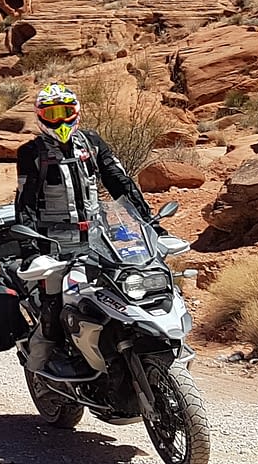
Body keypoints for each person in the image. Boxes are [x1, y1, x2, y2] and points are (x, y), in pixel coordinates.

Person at [9, 82, 182, 377]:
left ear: (76, 112)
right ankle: (41, 369)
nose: (60, 120)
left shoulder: (91, 143)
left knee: (124, 288)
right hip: (55, 245)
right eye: (52, 114)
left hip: (97, 238)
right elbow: (24, 202)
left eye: (65, 112)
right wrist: (31, 252)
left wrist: (152, 225)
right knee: (54, 308)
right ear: (40, 116)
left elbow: (120, 183)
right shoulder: (31, 153)